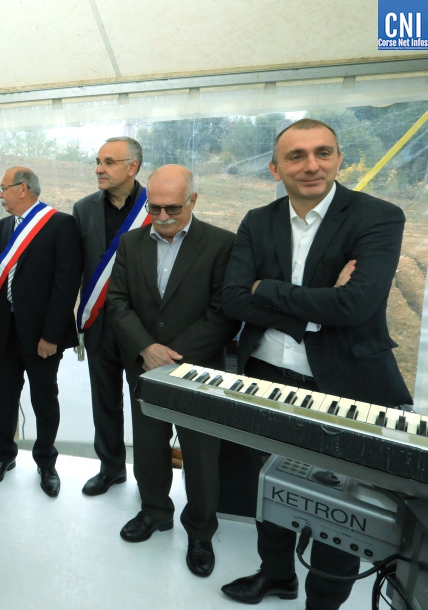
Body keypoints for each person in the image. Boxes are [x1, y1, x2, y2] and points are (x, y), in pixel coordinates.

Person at [220, 119, 412, 609]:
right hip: (267, 376)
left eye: (323, 153)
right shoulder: (257, 221)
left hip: (346, 384)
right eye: (296, 156)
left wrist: (272, 290)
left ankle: (323, 602)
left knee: (338, 504)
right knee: (271, 485)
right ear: (275, 168)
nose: (311, 165)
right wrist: (317, 308)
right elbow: (235, 299)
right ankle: (277, 574)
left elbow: (357, 307)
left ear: (339, 158)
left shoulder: (378, 217)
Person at [105, 164, 238, 578]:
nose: (162, 218)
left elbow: (223, 313)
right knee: (147, 447)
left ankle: (200, 530)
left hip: (197, 372)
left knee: (200, 455)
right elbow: (117, 302)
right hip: (144, 366)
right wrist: (146, 347)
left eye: (173, 209)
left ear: (193, 201)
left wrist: (173, 355)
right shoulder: (129, 243)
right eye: (154, 208)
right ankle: (155, 511)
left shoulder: (221, 244)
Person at [0, 167, 81, 497]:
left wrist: (51, 335)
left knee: (44, 400)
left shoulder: (60, 225)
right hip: (4, 335)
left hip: (42, 338)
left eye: (3, 188)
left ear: (22, 189)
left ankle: (46, 462)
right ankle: (4, 456)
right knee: (4, 401)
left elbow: (65, 285)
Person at [72, 136, 150, 496]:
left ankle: (151, 479)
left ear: (132, 167)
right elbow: (76, 269)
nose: (99, 169)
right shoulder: (83, 208)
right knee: (104, 400)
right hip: (100, 323)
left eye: (108, 162)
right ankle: (111, 468)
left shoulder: (158, 204)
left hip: (144, 327)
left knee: (146, 406)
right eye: (98, 161)